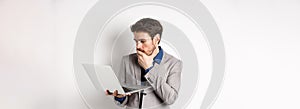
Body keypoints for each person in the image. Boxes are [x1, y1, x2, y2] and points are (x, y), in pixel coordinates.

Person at [106, 18, 183, 109]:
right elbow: (123, 100)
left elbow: (170, 99)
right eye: (136, 41)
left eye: (143, 41)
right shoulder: (126, 60)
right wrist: (120, 97)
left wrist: (148, 69)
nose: (138, 46)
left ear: (156, 40)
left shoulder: (174, 64)